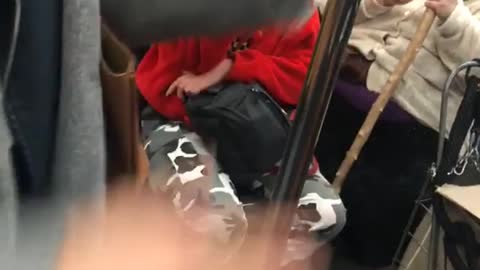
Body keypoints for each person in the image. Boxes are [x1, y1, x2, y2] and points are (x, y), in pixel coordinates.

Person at [135, 10, 346, 269]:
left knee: (325, 213)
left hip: (253, 123)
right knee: (218, 222)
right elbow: (176, 73)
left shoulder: (297, 10)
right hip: (179, 116)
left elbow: (302, 78)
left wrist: (232, 68)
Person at [313, 0, 480, 267]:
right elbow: (324, 11)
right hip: (329, 97)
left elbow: (473, 72)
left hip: (413, 133)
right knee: (298, 212)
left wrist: (452, 16)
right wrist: (379, 3)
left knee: (362, 243)